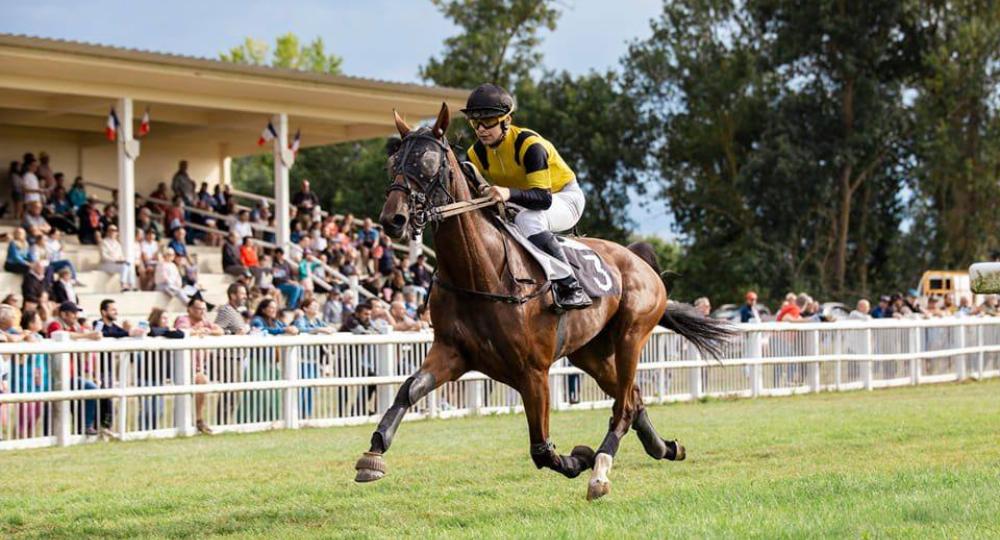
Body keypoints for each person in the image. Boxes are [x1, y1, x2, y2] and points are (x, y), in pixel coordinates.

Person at [462, 83, 590, 309]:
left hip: (563, 197)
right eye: (475, 122)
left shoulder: (530, 146)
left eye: (489, 121)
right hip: (521, 203)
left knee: (529, 219)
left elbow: (543, 199)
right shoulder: (476, 153)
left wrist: (506, 192)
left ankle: (571, 285)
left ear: (507, 121)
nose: (481, 129)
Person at [99, 225, 138, 291]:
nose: (113, 232)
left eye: (115, 231)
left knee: (128, 264)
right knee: (124, 266)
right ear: (108, 232)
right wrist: (115, 261)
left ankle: (131, 285)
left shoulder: (117, 244)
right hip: (106, 264)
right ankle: (123, 285)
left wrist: (123, 260)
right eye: (111, 230)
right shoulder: (104, 242)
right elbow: (104, 257)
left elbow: (121, 256)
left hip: (116, 264)